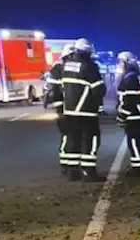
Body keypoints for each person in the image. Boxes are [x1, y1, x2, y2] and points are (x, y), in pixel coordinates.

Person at [60, 38, 105, 181]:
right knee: (91, 140)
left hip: (70, 111)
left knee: (73, 139)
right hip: (87, 111)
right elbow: (99, 90)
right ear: (87, 52)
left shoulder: (66, 66)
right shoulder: (89, 67)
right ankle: (89, 172)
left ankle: (73, 172)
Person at [115, 52, 140, 174]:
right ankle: (138, 166)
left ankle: (139, 169)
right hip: (136, 115)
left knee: (133, 141)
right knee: (134, 140)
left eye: (120, 62)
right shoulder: (133, 76)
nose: (119, 65)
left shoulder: (129, 78)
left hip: (134, 115)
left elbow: (129, 100)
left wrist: (122, 116)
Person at [44, 43, 74, 173]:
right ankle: (65, 163)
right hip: (63, 108)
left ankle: (69, 163)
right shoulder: (58, 68)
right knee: (67, 134)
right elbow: (54, 91)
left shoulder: (68, 68)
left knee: (71, 135)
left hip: (71, 107)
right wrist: (60, 109)